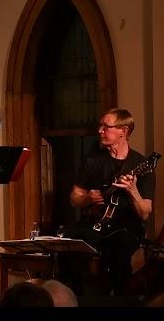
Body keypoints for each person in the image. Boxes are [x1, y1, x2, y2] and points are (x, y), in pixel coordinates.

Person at [65, 108, 156, 295]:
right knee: (67, 241)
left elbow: (145, 212)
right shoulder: (93, 160)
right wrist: (87, 198)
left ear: (124, 131)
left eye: (106, 127)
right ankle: (76, 297)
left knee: (117, 246)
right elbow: (74, 198)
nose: (100, 130)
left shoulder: (142, 165)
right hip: (96, 224)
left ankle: (121, 298)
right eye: (100, 126)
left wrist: (133, 191)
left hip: (126, 227)